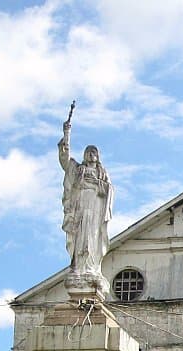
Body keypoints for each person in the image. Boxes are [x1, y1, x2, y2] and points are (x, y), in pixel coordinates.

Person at [59, 104, 113, 285]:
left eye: (94, 153)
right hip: (81, 205)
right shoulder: (78, 169)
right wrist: (67, 134)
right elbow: (65, 160)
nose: (91, 155)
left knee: (93, 236)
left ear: (98, 157)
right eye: (89, 152)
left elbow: (108, 191)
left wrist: (99, 185)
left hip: (96, 208)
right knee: (81, 234)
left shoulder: (103, 174)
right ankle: (79, 267)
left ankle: (92, 267)